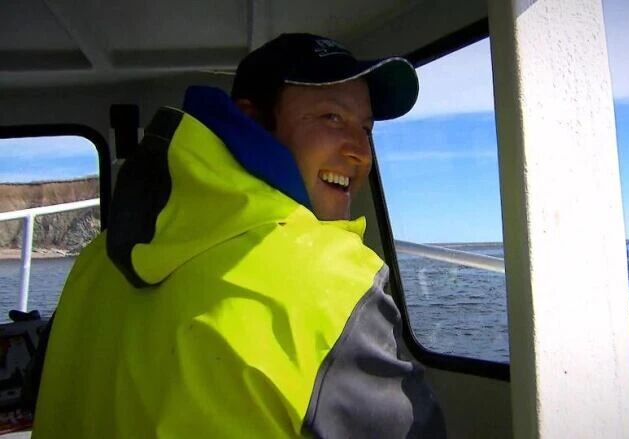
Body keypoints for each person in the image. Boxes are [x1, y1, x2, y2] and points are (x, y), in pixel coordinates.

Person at [33, 33, 446, 438]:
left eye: (366, 128)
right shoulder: (330, 281)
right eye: (331, 118)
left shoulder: (95, 262)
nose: (361, 152)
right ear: (252, 121)